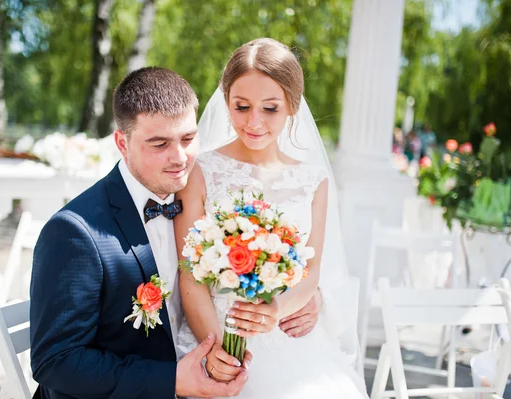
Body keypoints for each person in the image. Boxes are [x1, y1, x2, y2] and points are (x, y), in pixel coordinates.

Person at [29, 67, 251, 399]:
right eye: (159, 143)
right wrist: (172, 380)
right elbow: (56, 361)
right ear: (122, 143)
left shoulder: (202, 204)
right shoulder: (75, 232)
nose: (179, 158)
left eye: (188, 139)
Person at [174, 38, 367, 398]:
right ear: (226, 100)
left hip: (286, 335)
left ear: (291, 106)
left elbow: (309, 274)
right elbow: (190, 275)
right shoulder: (200, 173)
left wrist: (275, 310)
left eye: (270, 108)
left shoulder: (314, 182)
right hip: (215, 332)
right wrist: (215, 347)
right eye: (242, 106)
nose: (254, 122)